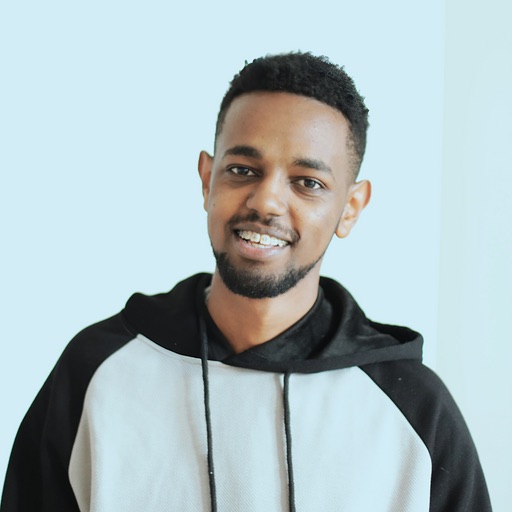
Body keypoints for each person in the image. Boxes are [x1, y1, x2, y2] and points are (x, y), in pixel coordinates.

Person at [1, 52, 491, 512]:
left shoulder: (414, 411)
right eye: (242, 170)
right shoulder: (95, 373)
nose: (267, 201)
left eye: (308, 182)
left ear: (350, 207)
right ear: (207, 179)